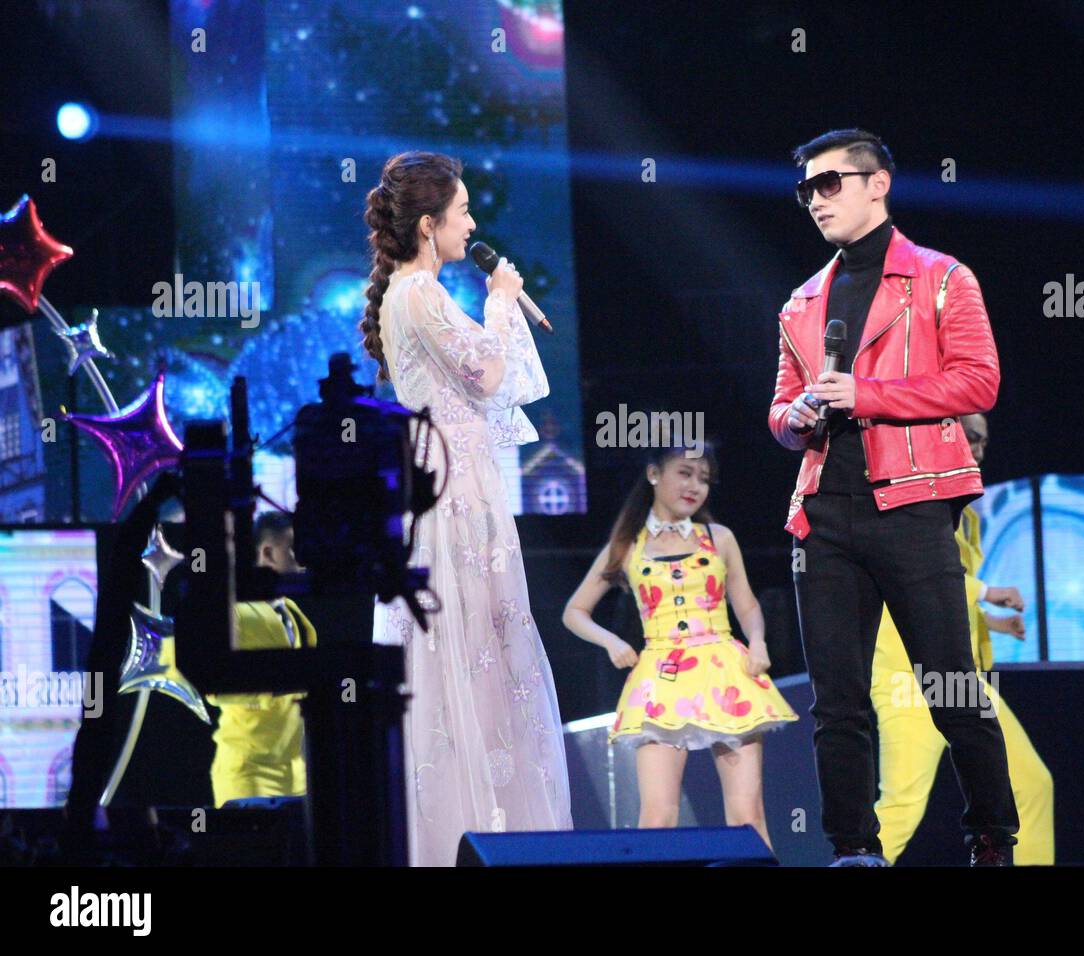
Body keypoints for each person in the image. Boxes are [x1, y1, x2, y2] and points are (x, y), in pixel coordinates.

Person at [769, 128, 1018, 865]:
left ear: (878, 183)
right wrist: (797, 418)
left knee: (952, 688)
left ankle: (992, 838)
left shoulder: (941, 278)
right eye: (807, 190)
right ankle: (853, 849)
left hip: (911, 503)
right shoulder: (801, 302)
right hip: (824, 513)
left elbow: (979, 382)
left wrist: (868, 394)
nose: (817, 200)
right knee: (837, 703)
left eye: (831, 183)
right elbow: (779, 410)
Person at [359, 150, 571, 866]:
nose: (473, 224)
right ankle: (469, 835)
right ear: (429, 224)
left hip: (459, 489)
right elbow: (485, 373)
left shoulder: (413, 292)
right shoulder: (418, 292)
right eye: (464, 211)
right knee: (468, 657)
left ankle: (487, 826)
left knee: (480, 659)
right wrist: (502, 301)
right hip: (452, 498)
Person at [561, 445, 797, 849]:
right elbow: (575, 611)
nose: (695, 486)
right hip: (660, 682)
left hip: (727, 675)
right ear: (654, 474)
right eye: (685, 473)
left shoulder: (719, 538)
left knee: (747, 814)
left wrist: (757, 641)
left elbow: (746, 605)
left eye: (703, 479)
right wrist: (611, 641)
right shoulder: (628, 545)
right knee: (658, 815)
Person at [873, 414, 1055, 864]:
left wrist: (990, 623)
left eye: (984, 442)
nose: (979, 450)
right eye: (972, 437)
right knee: (900, 810)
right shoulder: (910, 497)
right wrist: (988, 591)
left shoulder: (967, 515)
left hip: (962, 681)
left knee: (1032, 785)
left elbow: (944, 600)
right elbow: (919, 576)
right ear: (944, 432)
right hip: (909, 679)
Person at [207, 512, 315, 808]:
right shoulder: (235, 613)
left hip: (295, 771)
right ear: (267, 553)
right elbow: (215, 687)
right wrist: (275, 684)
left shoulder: (293, 612)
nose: (301, 561)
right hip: (247, 772)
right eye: (292, 550)